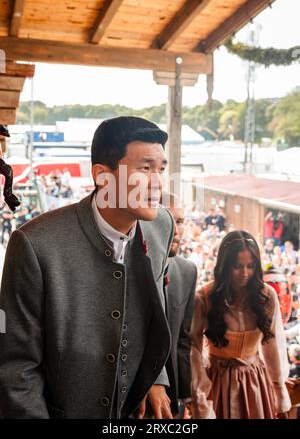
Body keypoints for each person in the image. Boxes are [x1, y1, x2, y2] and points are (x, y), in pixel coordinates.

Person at [0, 116, 174, 419]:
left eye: (161, 169)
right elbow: (15, 367)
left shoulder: (160, 225)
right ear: (102, 176)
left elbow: (153, 310)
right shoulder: (35, 245)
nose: (157, 183)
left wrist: (155, 378)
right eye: (145, 168)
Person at [190, 230, 291, 419]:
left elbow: (272, 345)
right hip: (217, 381)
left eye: (251, 266)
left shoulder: (266, 295)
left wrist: (279, 391)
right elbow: (193, 350)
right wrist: (200, 398)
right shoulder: (204, 297)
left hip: (256, 381)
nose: (245, 273)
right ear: (224, 265)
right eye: (237, 266)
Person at [161, 193, 197, 417]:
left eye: (181, 221)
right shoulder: (125, 268)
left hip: (172, 399)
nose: (176, 228)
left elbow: (183, 340)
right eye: (168, 219)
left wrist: (185, 396)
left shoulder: (187, 271)